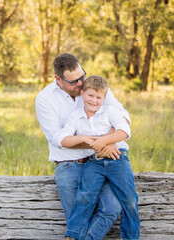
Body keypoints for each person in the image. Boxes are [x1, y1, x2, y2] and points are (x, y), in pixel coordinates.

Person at [35, 53, 131, 239]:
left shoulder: (94, 86)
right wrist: (98, 142)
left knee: (112, 208)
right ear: (58, 79)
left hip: (101, 161)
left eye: (82, 76)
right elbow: (57, 138)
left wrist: (108, 140)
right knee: (77, 219)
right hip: (69, 163)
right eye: (74, 81)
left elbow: (123, 116)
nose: (80, 83)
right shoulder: (44, 98)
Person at [59, 75, 140, 240]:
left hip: (118, 159)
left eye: (98, 97)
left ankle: (130, 237)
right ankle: (73, 236)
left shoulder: (110, 112)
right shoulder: (76, 116)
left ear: (104, 98)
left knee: (130, 200)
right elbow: (63, 140)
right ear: (82, 94)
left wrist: (103, 141)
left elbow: (125, 131)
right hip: (94, 161)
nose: (94, 100)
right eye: (90, 95)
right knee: (84, 197)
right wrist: (85, 139)